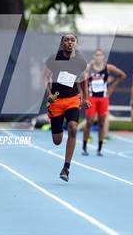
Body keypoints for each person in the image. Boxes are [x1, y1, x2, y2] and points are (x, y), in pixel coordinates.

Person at [44, 33, 90, 182]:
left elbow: (84, 80)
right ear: (62, 43)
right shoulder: (54, 58)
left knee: (73, 128)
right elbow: (45, 76)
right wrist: (49, 94)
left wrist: (85, 98)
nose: (69, 42)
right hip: (57, 101)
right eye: (66, 40)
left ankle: (66, 168)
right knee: (57, 140)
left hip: (72, 100)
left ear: (75, 43)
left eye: (72, 40)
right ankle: (57, 127)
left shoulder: (80, 61)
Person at [82, 49, 126, 156]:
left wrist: (112, 88)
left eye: (100, 55)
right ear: (93, 57)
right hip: (92, 97)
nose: (98, 57)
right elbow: (83, 81)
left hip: (103, 98)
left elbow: (122, 75)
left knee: (102, 123)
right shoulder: (88, 68)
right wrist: (85, 97)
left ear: (103, 57)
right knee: (89, 122)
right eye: (96, 55)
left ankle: (99, 148)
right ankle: (84, 146)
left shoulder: (108, 67)